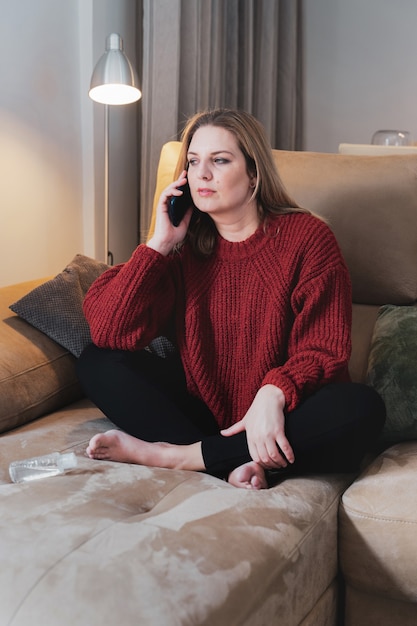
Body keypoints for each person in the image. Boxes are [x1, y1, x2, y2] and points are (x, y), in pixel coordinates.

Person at [77, 108, 385, 490]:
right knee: (98, 361)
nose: (201, 174)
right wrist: (158, 244)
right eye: (193, 162)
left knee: (361, 407)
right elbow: (111, 330)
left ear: (253, 172)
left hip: (286, 416)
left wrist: (274, 393)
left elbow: (324, 350)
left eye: (219, 160)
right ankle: (235, 463)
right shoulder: (181, 249)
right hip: (206, 415)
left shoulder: (308, 238)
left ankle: (178, 457)